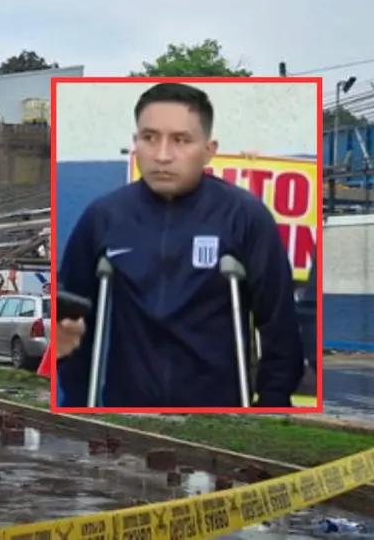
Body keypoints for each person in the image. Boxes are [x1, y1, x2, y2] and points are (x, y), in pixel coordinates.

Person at [56, 82, 304, 408]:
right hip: (127, 408)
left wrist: (271, 406)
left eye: (181, 140)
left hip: (220, 411)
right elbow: (70, 320)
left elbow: (278, 322)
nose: (162, 155)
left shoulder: (244, 216)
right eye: (149, 138)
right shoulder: (104, 217)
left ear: (208, 149)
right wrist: (78, 405)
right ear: (135, 144)